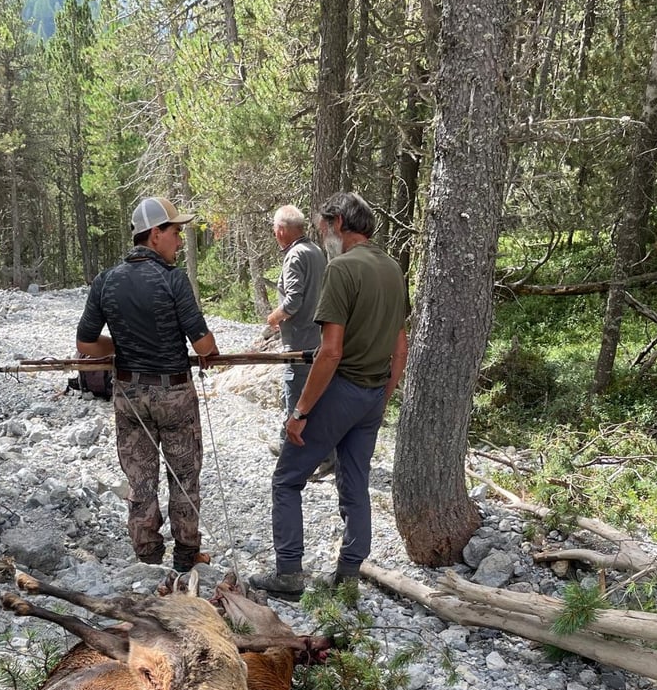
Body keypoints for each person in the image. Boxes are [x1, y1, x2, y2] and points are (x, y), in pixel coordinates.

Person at [251, 192, 408, 600]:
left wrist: (300, 411)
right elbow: (401, 347)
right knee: (354, 483)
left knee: (286, 479)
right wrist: (384, 395)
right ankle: (349, 575)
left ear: (338, 222)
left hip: (343, 391)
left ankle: (288, 573)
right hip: (373, 394)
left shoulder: (342, 268)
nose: (323, 238)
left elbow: (331, 351)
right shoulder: (392, 268)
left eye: (323, 229)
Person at [76, 196, 219, 571]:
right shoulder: (173, 279)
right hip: (172, 392)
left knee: (140, 478)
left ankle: (147, 561)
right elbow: (204, 345)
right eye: (175, 231)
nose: (179, 239)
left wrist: (122, 344)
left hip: (128, 394)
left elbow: (86, 345)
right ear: (155, 234)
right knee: (184, 474)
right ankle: (187, 558)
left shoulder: (106, 281)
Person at [265, 205, 326, 449]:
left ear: (281, 230)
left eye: (274, 228)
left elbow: (292, 301)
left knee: (295, 395)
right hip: (317, 337)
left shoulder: (295, 255)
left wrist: (274, 318)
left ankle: (291, 450)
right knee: (315, 397)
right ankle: (323, 454)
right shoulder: (316, 251)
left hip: (300, 341)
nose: (273, 233)